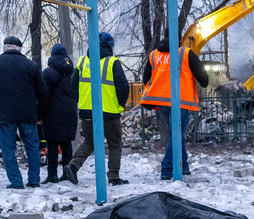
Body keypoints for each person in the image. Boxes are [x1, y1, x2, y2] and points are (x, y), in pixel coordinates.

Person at [62, 32, 130, 186]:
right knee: (114, 144)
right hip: (110, 112)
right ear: (110, 46)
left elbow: (73, 86)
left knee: (90, 141)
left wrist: (82, 102)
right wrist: (119, 105)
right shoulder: (112, 62)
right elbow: (123, 88)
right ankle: (113, 176)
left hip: (87, 111)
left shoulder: (82, 61)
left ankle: (72, 166)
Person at [0, 35, 47, 189]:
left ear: (4, 48)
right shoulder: (31, 65)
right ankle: (34, 180)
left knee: (8, 149)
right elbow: (43, 91)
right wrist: (38, 112)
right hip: (28, 113)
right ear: (20, 49)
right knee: (32, 147)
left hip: (5, 113)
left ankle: (16, 182)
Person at [140, 32, 208, 180]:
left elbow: (146, 78)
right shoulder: (185, 53)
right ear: (179, 39)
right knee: (176, 134)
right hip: (181, 100)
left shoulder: (154, 55)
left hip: (162, 102)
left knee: (177, 134)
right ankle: (167, 169)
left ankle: (183, 166)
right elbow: (203, 78)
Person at [40, 43, 77, 183]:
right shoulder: (73, 72)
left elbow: (44, 96)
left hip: (52, 112)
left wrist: (39, 115)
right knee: (66, 143)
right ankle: (68, 173)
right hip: (70, 111)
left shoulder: (48, 73)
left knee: (52, 144)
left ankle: (52, 175)